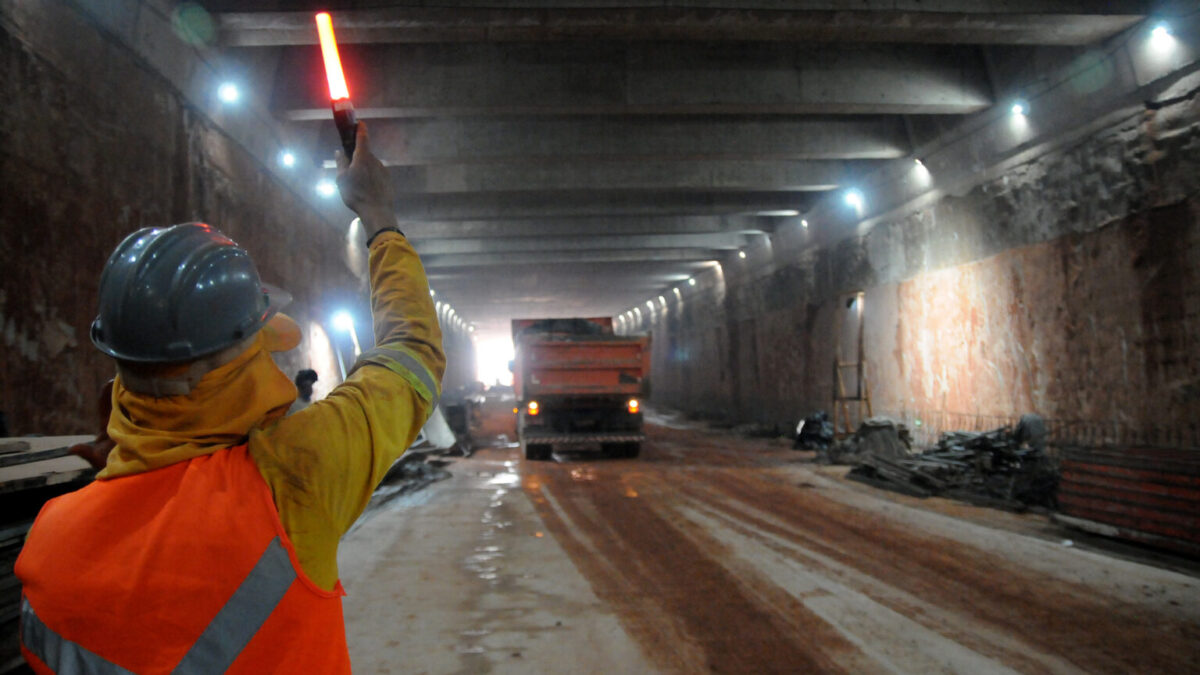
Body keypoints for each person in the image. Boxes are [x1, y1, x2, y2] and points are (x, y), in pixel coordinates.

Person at [15, 123, 443, 674]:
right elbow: (413, 351)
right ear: (236, 359)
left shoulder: (47, 541)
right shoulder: (293, 476)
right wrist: (379, 216)